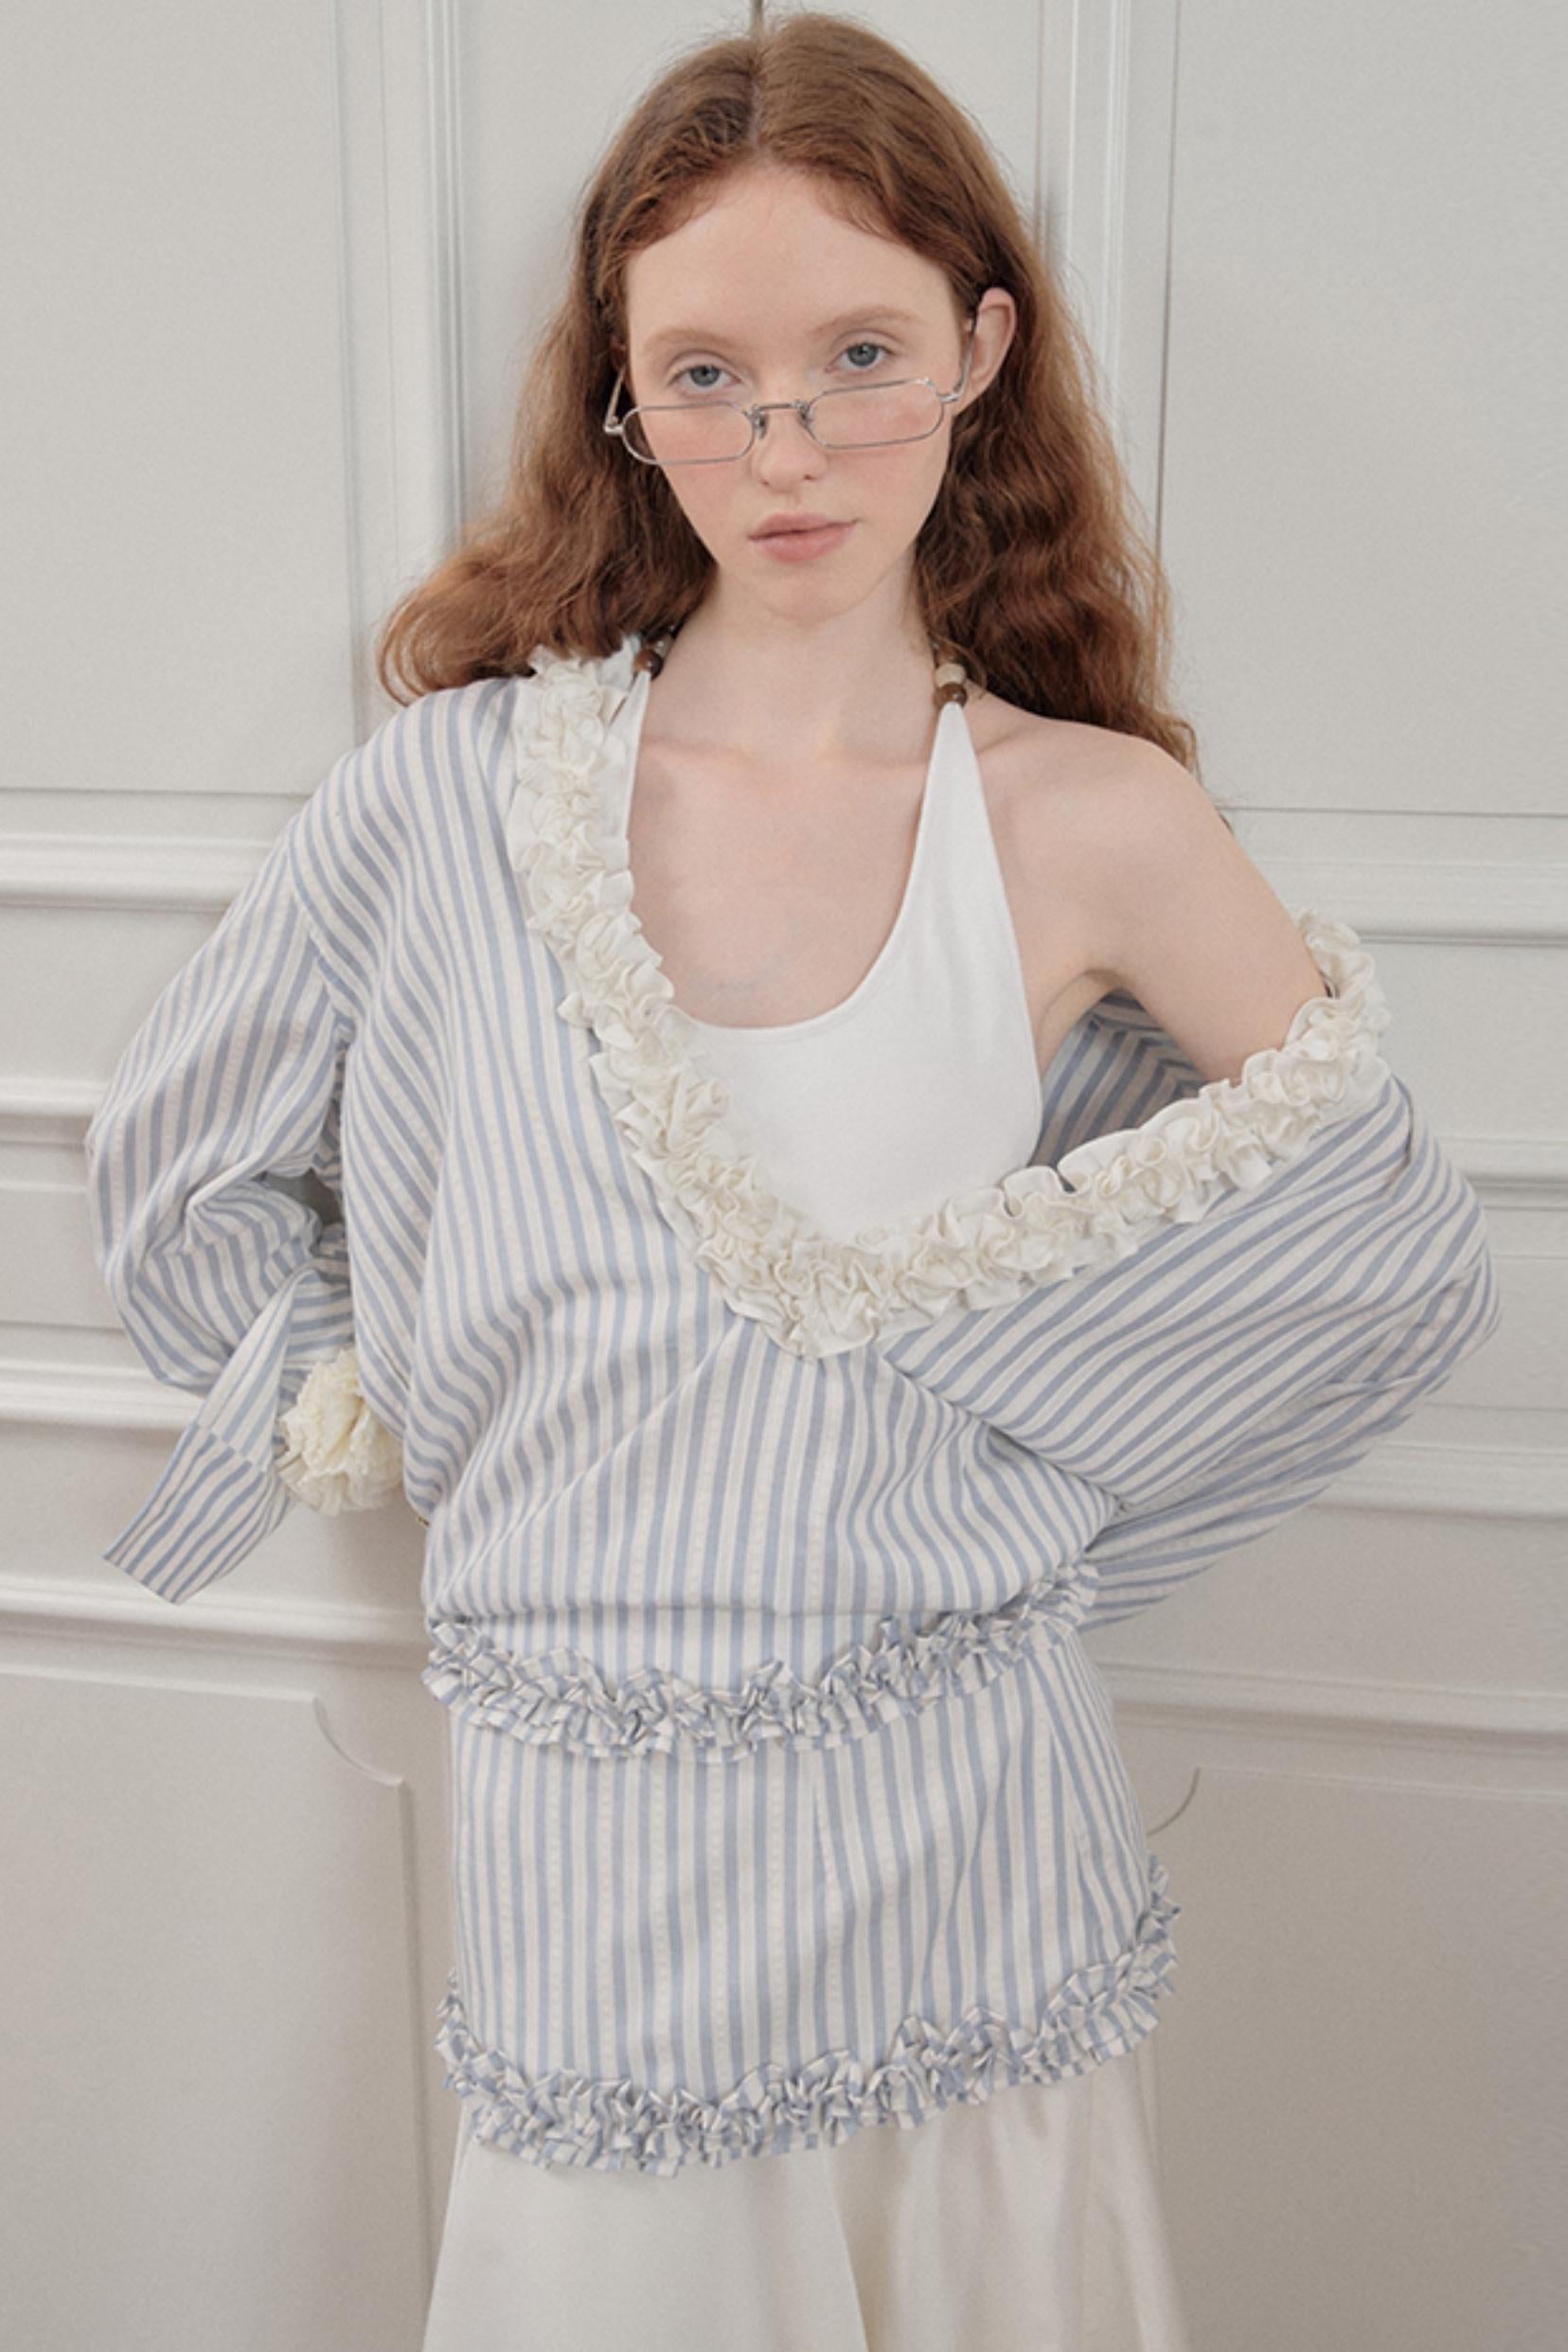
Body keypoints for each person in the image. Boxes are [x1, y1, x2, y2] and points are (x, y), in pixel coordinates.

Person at [81, 13, 1501, 2349]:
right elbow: (187, 1180)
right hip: (593, 1848)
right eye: (707, 376)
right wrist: (392, 1370)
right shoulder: (448, 803)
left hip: (970, 1835)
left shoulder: (1097, 822)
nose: (789, 445)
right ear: (625, 401)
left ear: (980, 348)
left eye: (858, 356)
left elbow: (1387, 1267)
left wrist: (975, 1469)